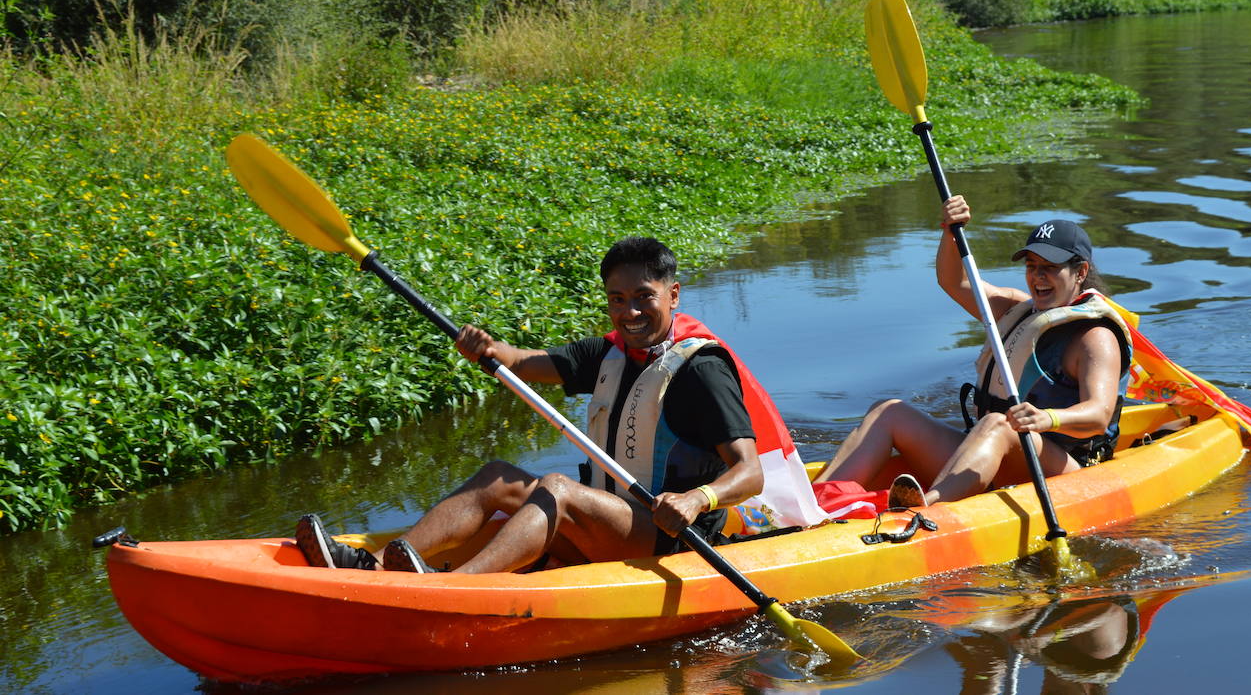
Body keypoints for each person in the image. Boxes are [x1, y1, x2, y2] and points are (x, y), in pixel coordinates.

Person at [296, 236, 830, 573]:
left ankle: (453, 590)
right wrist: (488, 349)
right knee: (499, 475)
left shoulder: (702, 371)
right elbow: (528, 362)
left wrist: (696, 500)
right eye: (617, 299)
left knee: (556, 488)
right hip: (611, 522)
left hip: (671, 540)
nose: (630, 311)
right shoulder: (608, 353)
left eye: (644, 296)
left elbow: (749, 472)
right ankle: (373, 568)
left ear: (673, 295)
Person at [815, 195, 1132, 507]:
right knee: (889, 412)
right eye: (1032, 266)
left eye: (1050, 268)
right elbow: (955, 281)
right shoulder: (1015, 308)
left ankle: (928, 510)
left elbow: (1098, 416)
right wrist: (951, 231)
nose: (1037, 277)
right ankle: (814, 506)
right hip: (993, 451)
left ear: (1080, 272)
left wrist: (1046, 419)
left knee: (998, 423)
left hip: (1065, 470)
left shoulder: (1095, 337)